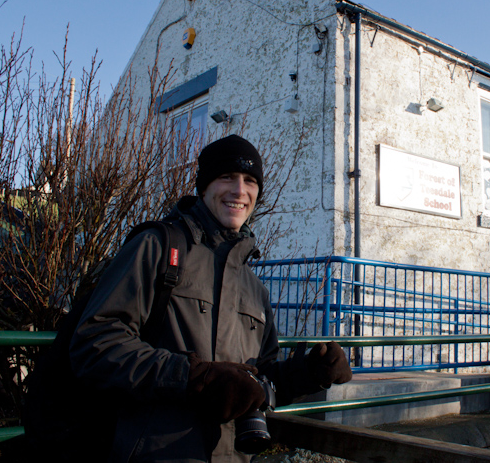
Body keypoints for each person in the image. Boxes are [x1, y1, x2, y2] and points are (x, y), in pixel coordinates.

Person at [69, 135, 352, 462]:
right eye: (226, 177)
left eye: (249, 181)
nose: (239, 190)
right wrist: (195, 378)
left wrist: (308, 373)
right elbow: (96, 343)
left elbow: (259, 381)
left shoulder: (254, 288)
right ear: (204, 187)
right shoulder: (158, 248)